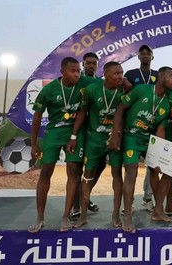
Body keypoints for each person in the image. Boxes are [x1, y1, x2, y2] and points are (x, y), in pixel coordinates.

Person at [28, 57, 93, 233]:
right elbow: (37, 118)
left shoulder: (84, 84)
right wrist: (34, 144)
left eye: (78, 71)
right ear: (62, 71)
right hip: (54, 132)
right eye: (73, 71)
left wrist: (73, 135)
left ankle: (66, 216)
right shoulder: (49, 90)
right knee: (46, 171)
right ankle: (40, 217)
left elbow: (82, 111)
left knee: (73, 170)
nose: (77, 74)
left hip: (75, 132)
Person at [108, 66, 172, 232]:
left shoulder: (167, 103)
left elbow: (160, 129)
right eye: (171, 76)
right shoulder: (141, 90)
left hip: (149, 140)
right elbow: (120, 108)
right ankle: (128, 216)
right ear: (161, 76)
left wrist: (160, 156)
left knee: (157, 171)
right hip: (131, 136)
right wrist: (116, 134)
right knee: (131, 172)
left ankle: (158, 210)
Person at [66, 62, 125, 229]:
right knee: (88, 175)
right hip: (94, 140)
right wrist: (74, 135)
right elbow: (82, 112)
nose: (120, 76)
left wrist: (117, 134)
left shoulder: (125, 89)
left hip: (115, 140)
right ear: (106, 74)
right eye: (116, 74)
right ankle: (83, 215)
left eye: (121, 73)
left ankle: (115, 215)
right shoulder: (92, 89)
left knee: (117, 174)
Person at [124, 44, 158, 211]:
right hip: (133, 127)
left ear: (152, 57)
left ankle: (148, 198)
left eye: (148, 53)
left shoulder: (158, 75)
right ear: (138, 57)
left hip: (151, 126)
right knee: (131, 168)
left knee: (152, 166)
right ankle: (128, 203)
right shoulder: (130, 75)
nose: (145, 55)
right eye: (142, 53)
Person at [70, 52, 102, 219]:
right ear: (83, 64)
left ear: (98, 65)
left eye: (94, 63)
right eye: (88, 63)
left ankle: (85, 196)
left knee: (100, 164)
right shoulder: (77, 80)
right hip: (78, 128)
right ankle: (76, 206)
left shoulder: (100, 82)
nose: (91, 65)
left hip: (95, 129)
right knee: (76, 167)